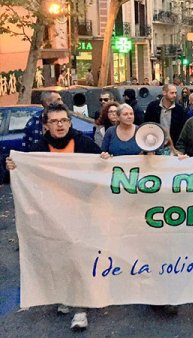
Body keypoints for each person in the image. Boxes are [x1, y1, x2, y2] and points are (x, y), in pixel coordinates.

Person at [6, 103, 100, 331]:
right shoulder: (38, 149)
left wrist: (105, 159)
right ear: (46, 126)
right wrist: (14, 167)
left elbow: (102, 169)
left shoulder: (84, 143)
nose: (60, 125)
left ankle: (80, 310)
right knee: (59, 257)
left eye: (64, 121)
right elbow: (28, 176)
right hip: (52, 215)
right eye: (55, 121)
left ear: (69, 122)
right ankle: (64, 296)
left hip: (80, 212)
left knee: (77, 258)